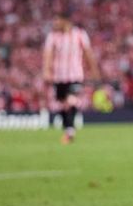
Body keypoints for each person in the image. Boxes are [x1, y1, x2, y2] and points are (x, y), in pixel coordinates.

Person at [41, 15, 97, 144]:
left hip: (75, 75)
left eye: (57, 20)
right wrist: (47, 71)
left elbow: (88, 53)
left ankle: (70, 131)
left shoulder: (80, 34)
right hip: (58, 76)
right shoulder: (52, 36)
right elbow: (48, 54)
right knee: (61, 104)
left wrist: (93, 70)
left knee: (71, 100)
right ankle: (68, 129)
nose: (55, 23)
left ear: (65, 21)